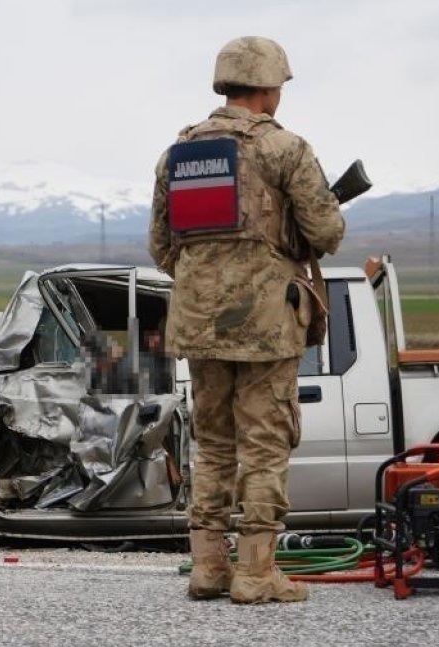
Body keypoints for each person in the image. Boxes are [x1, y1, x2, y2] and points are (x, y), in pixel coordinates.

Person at [148, 37, 345, 603]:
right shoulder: (284, 149)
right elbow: (327, 234)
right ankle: (256, 574)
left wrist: (211, 275)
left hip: (199, 323)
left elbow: (162, 248)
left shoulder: (178, 154)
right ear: (267, 87)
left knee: (211, 446)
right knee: (264, 447)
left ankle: (208, 569)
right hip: (264, 325)